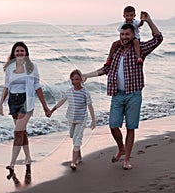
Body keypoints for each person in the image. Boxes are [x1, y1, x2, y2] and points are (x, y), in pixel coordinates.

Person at [83, 11, 163, 170]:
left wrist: (149, 21)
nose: (124, 37)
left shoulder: (140, 49)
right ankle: (121, 147)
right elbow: (105, 69)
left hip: (134, 94)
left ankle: (126, 159)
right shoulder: (117, 51)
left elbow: (158, 39)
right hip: (117, 95)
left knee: (130, 127)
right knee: (113, 125)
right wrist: (87, 75)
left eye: (127, 34)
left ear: (133, 35)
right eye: (122, 34)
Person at [0, 42, 51, 186]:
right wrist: (0, 103)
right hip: (13, 101)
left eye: (22, 51)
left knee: (17, 132)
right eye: (17, 51)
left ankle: (12, 164)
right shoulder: (9, 67)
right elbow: (6, 86)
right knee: (22, 131)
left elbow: (37, 86)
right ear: (14, 53)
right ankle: (28, 158)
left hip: (26, 101)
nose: (20, 53)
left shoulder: (32, 67)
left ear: (26, 53)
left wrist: (45, 106)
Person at [50, 69, 96, 171]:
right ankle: (78, 156)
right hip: (71, 119)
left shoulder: (85, 92)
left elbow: (90, 106)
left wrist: (93, 120)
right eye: (73, 80)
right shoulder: (69, 91)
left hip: (81, 119)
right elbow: (61, 101)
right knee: (73, 136)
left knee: (77, 138)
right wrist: (52, 110)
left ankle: (73, 162)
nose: (75, 82)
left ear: (81, 80)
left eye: (77, 79)